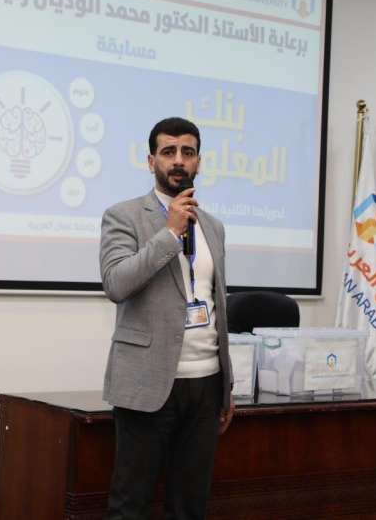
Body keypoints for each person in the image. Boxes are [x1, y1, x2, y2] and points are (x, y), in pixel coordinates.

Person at [99, 117, 234, 519]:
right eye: (168, 151)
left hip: (205, 384)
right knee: (130, 505)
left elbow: (215, 303)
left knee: (189, 507)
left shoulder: (213, 227)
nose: (178, 160)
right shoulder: (123, 216)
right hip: (148, 382)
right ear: (151, 161)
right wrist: (170, 232)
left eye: (188, 152)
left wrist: (225, 385)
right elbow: (116, 284)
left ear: (198, 162)